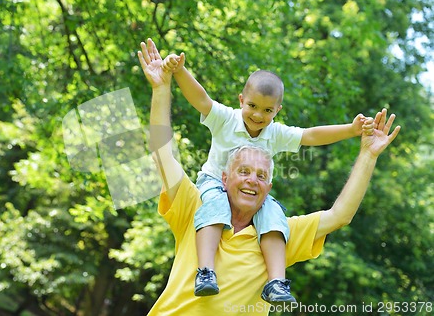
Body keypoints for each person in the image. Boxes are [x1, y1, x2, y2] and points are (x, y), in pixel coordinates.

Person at [138, 38, 400, 315]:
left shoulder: (274, 235)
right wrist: (163, 85)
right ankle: (206, 272)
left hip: (266, 222)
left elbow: (340, 214)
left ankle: (277, 283)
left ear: (269, 186)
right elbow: (162, 152)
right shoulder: (196, 208)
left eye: (261, 175)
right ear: (226, 178)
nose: (252, 180)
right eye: (244, 172)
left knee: (275, 218)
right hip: (209, 195)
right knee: (214, 208)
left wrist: (365, 151)